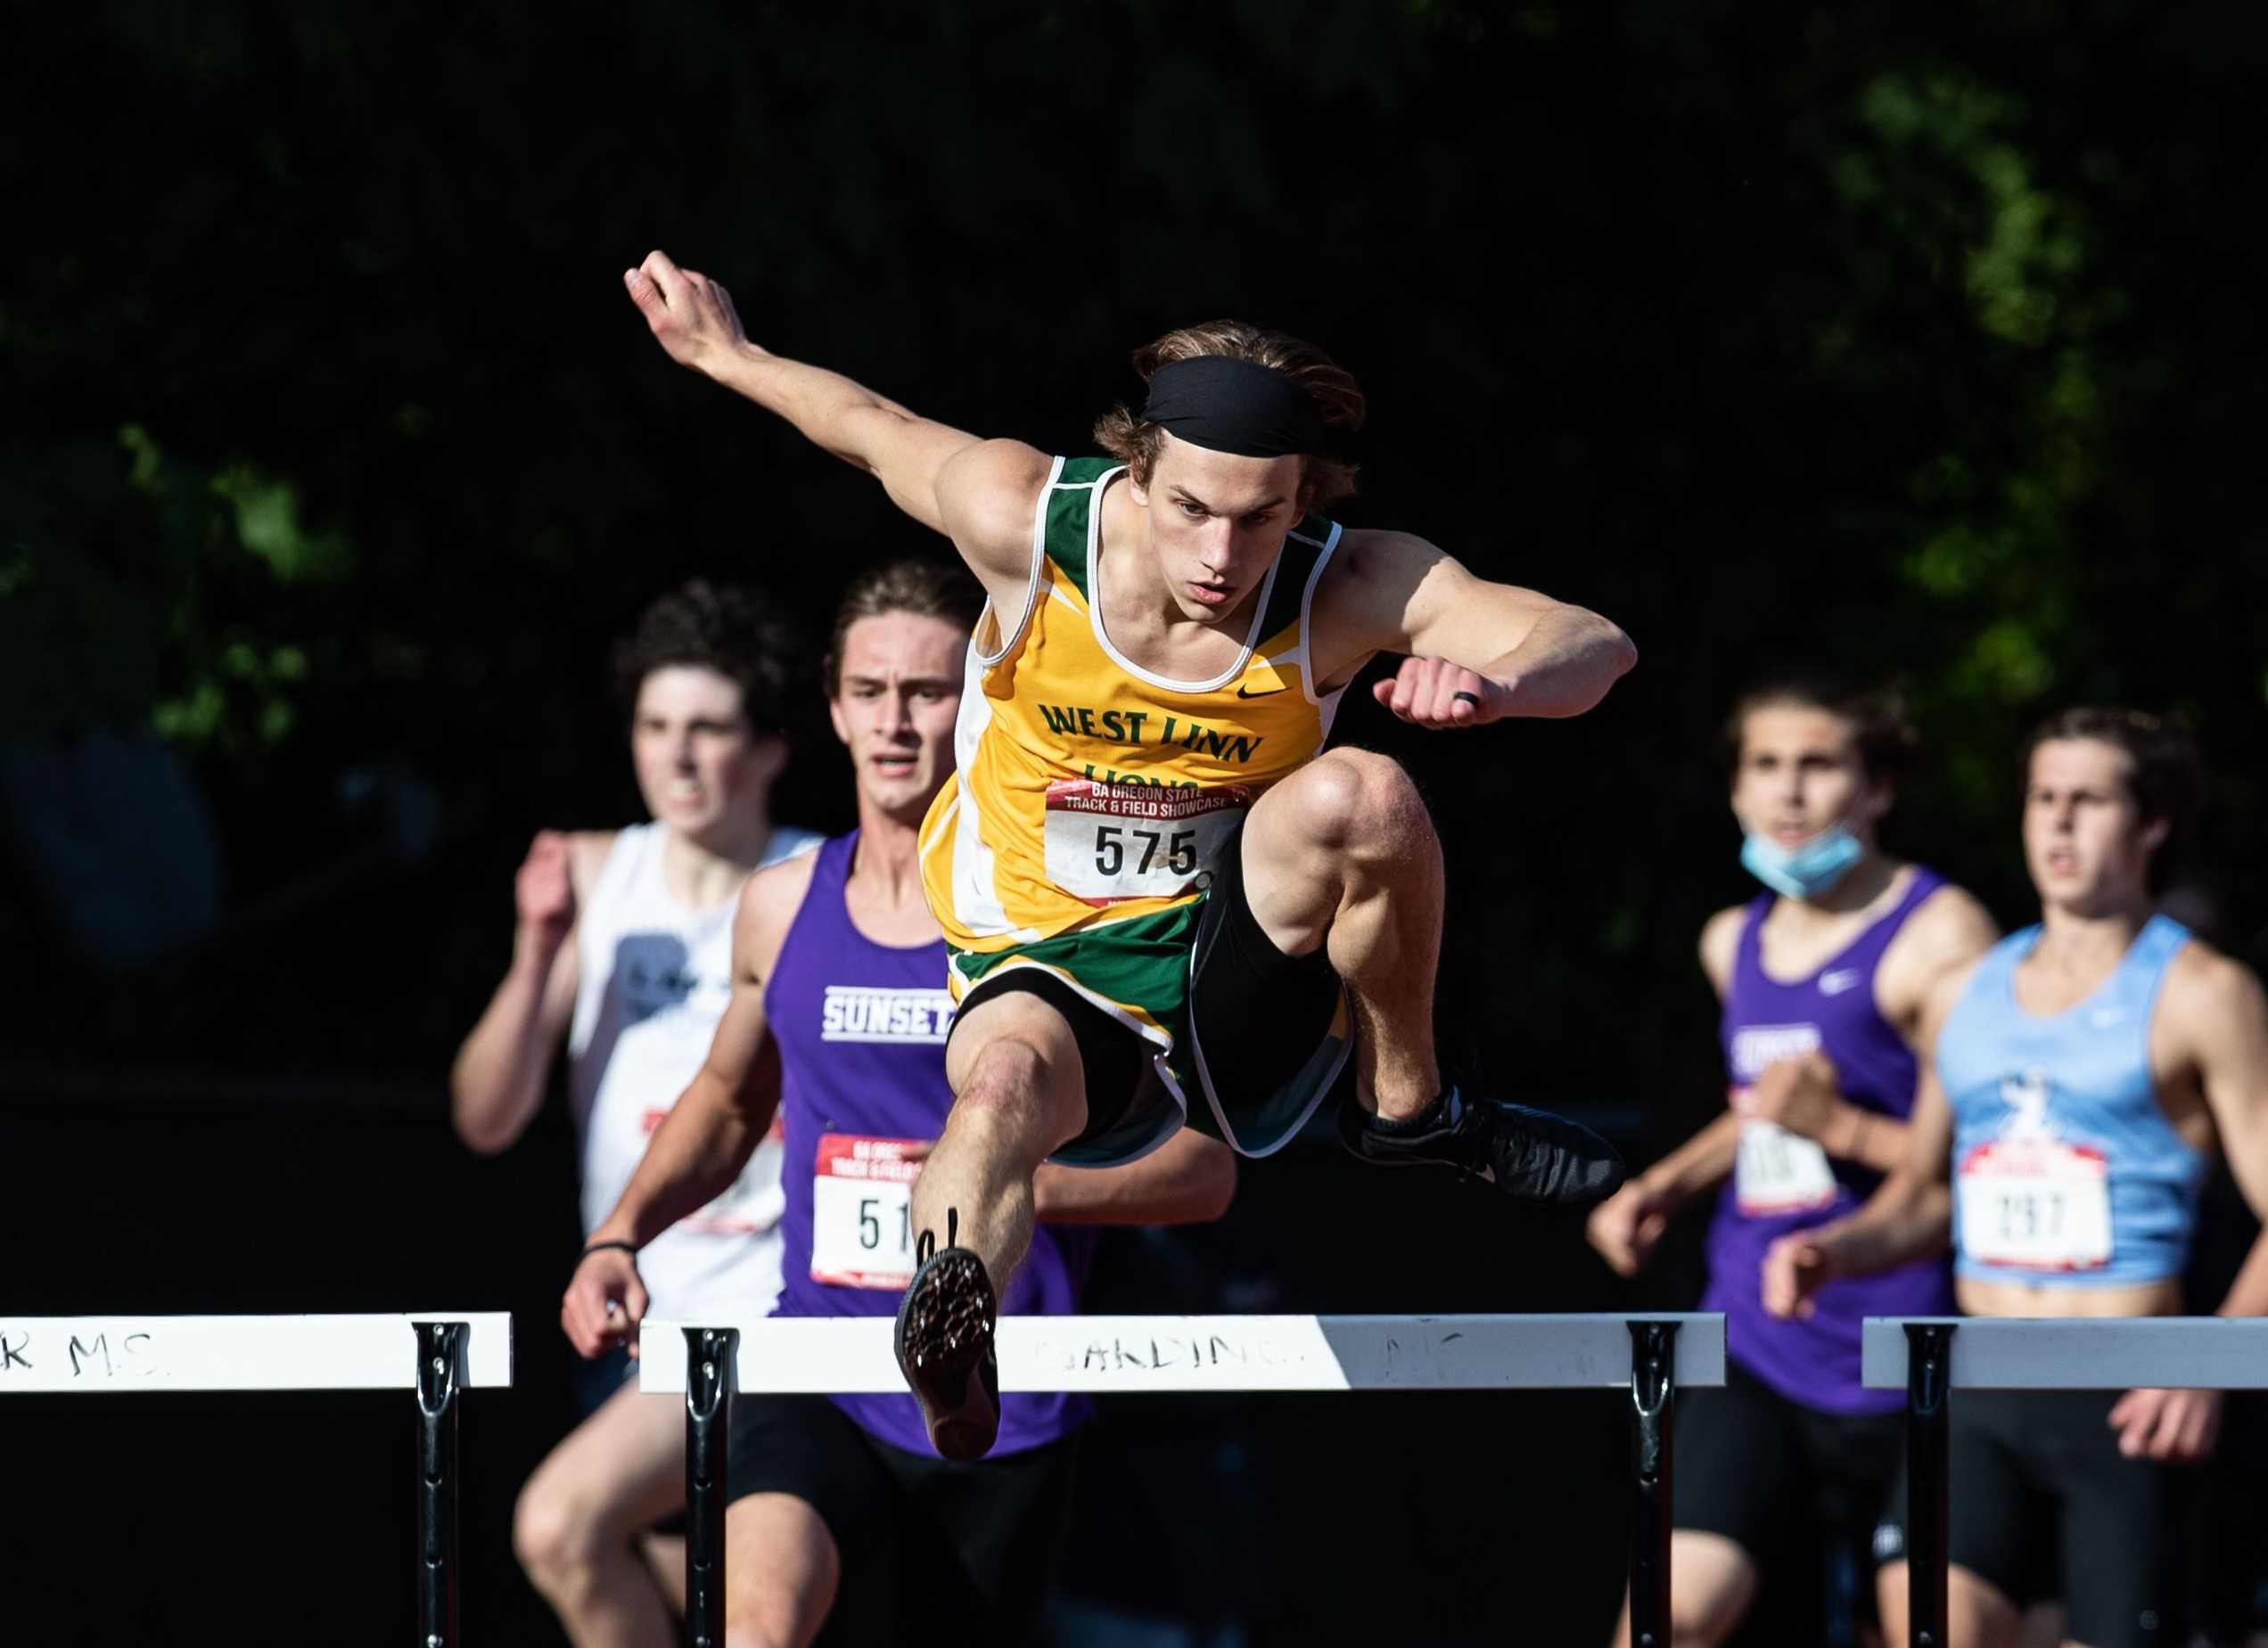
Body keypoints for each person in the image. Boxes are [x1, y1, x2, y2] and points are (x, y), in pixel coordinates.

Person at [621, 250, 1638, 1458]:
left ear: (1303, 499)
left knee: (1365, 792)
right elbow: (874, 429)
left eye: (1262, 517)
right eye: (1192, 510)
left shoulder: (1345, 583)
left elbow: (1595, 643)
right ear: (1137, 470)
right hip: (1040, 960)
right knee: (996, 1095)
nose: (1222, 555)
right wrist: (730, 357)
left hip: (1227, 962)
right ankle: (953, 1320)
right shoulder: (1027, 521)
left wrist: (1499, 681)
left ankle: (1406, 1103)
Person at [562, 559, 1238, 1646]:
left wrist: (982, 1199)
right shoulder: (782, 906)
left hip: (996, 1406)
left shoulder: (1061, 929)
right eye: (870, 692)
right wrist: (620, 1233)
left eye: (926, 693)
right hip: (814, 1372)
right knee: (758, 1627)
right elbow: (730, 1104)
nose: (895, 723)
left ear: (978, 707)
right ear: (832, 707)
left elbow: (1205, 1172)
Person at [1766, 709, 2268, 1648]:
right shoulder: (1965, 991)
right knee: (1927, 1627)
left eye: (2088, 800)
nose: (2059, 824)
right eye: (2043, 798)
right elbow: (1922, 1194)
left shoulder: (2205, 991)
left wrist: (2210, 1361)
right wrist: (1830, 1248)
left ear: (2149, 822)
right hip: (1981, 1377)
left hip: (2127, 1396)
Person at [1585, 675, 1997, 1647]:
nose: (1790, 793)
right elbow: (1762, 1110)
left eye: (1819, 766)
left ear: (1879, 788)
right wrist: (1661, 1187)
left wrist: (1843, 1128)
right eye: (1766, 766)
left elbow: (1980, 1166)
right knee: (1667, 1620)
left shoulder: (1944, 934)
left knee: (1930, 1633)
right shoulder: (1734, 941)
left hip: (1909, 1340)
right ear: (1735, 791)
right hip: (1755, 1335)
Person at [450, 580, 822, 1646]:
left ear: (768, 749)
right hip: (621, 1314)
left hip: (769, 1307)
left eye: (709, 728)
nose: (679, 757)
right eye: (657, 728)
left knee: (563, 1524)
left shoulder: (813, 881)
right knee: (679, 1590)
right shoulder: (593, 873)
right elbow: (484, 1118)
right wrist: (535, 955)